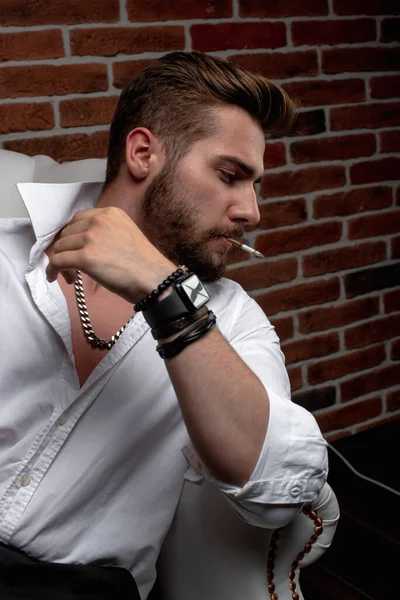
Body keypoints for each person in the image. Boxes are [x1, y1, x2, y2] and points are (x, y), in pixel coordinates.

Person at [0, 51, 328, 599]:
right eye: (229, 175)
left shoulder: (235, 322)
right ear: (143, 152)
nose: (252, 211)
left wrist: (168, 294)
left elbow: (277, 495)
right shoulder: (6, 256)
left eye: (255, 185)